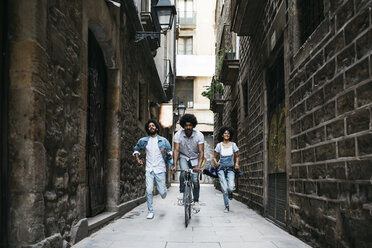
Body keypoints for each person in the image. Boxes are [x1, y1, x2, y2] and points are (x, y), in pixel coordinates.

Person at [133, 120, 174, 219]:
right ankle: (150, 211)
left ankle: (163, 191)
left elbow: (170, 154)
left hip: (160, 169)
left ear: (156, 128)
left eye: (153, 125)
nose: (151, 127)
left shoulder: (164, 141)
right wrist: (138, 159)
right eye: (149, 126)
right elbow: (136, 149)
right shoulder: (143, 141)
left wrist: (166, 153)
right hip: (149, 169)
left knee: (162, 193)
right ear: (148, 129)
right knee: (149, 190)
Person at [172, 114, 204, 212]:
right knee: (183, 172)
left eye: (190, 125)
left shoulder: (199, 135)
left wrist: (198, 167)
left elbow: (201, 152)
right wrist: (174, 165)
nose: (188, 127)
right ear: (183, 125)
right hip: (183, 157)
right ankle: (182, 192)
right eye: (186, 125)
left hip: (195, 158)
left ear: (193, 125)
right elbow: (176, 151)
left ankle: (196, 201)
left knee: (195, 180)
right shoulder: (178, 135)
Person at [213, 126, 239, 213]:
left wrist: (236, 163)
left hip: (231, 168)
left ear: (230, 135)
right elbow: (214, 157)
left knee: (231, 187)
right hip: (221, 168)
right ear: (222, 135)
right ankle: (226, 206)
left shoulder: (233, 145)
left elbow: (237, 157)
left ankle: (230, 192)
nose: (227, 135)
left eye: (228, 133)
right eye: (225, 133)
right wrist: (216, 163)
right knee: (224, 188)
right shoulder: (219, 145)